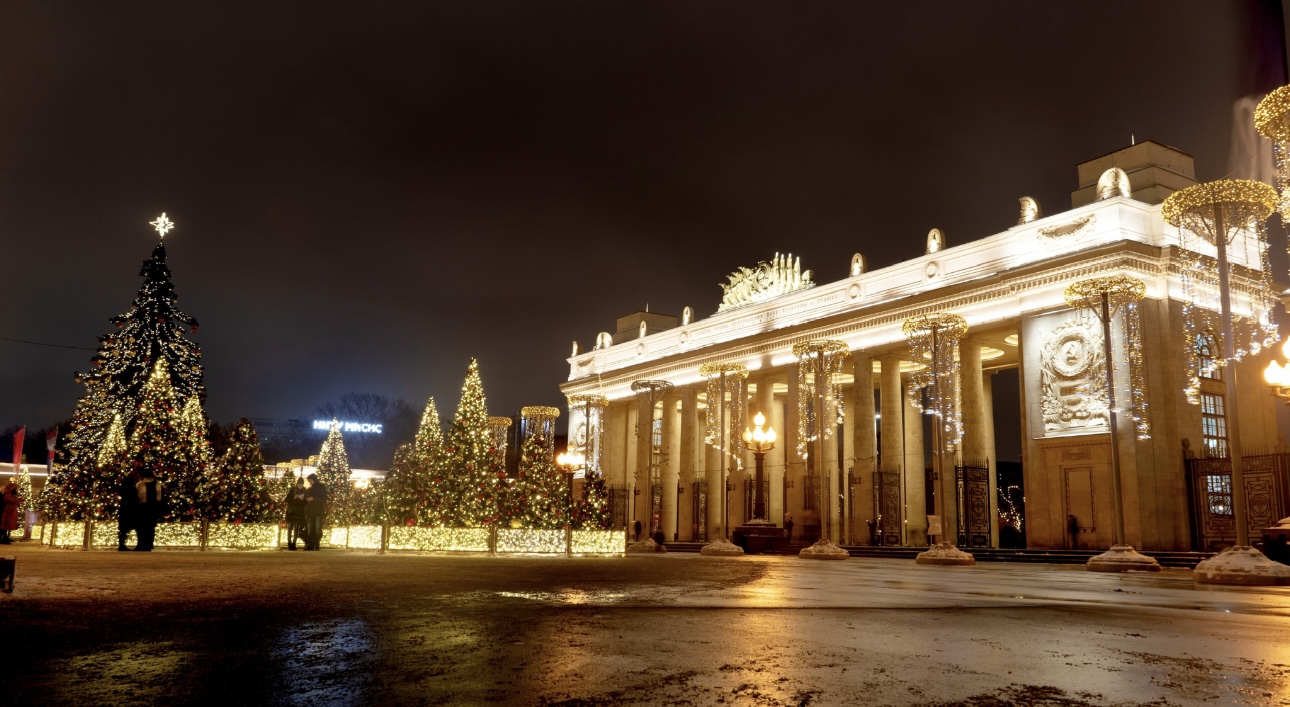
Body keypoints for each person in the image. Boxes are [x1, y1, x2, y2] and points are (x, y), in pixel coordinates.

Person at [134, 469, 165, 552]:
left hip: (142, 508)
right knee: (150, 527)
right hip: (153, 508)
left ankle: (141, 544)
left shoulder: (139, 485)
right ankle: (149, 544)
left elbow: (136, 497)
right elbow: (161, 498)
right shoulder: (158, 485)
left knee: (141, 527)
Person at [303, 473, 328, 551]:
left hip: (318, 511)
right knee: (310, 528)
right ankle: (311, 544)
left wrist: (313, 499)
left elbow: (324, 498)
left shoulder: (321, 487)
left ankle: (316, 544)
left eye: (310, 480)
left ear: (313, 480)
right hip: (311, 511)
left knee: (317, 528)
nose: (309, 482)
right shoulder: (310, 489)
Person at [117, 469, 140, 551]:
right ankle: (122, 545)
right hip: (129, 508)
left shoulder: (126, 483)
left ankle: (122, 544)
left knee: (124, 528)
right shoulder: (130, 484)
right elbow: (131, 496)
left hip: (126, 508)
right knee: (126, 527)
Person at [284, 476, 308, 551]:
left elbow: (306, 503)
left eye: (301, 485)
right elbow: (287, 499)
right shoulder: (292, 490)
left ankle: (294, 543)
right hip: (292, 511)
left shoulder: (304, 491)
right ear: (297, 484)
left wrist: (303, 499)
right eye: (299, 485)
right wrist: (295, 497)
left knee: (296, 528)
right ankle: (289, 543)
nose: (300, 486)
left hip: (299, 512)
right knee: (290, 527)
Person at [0, 476, 19, 545]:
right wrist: (19, 499)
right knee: (4, 526)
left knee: (6, 526)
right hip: (7, 511)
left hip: (9, 511)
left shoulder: (9, 494)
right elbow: (11, 501)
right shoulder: (8, 495)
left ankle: (5, 537)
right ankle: (3, 538)